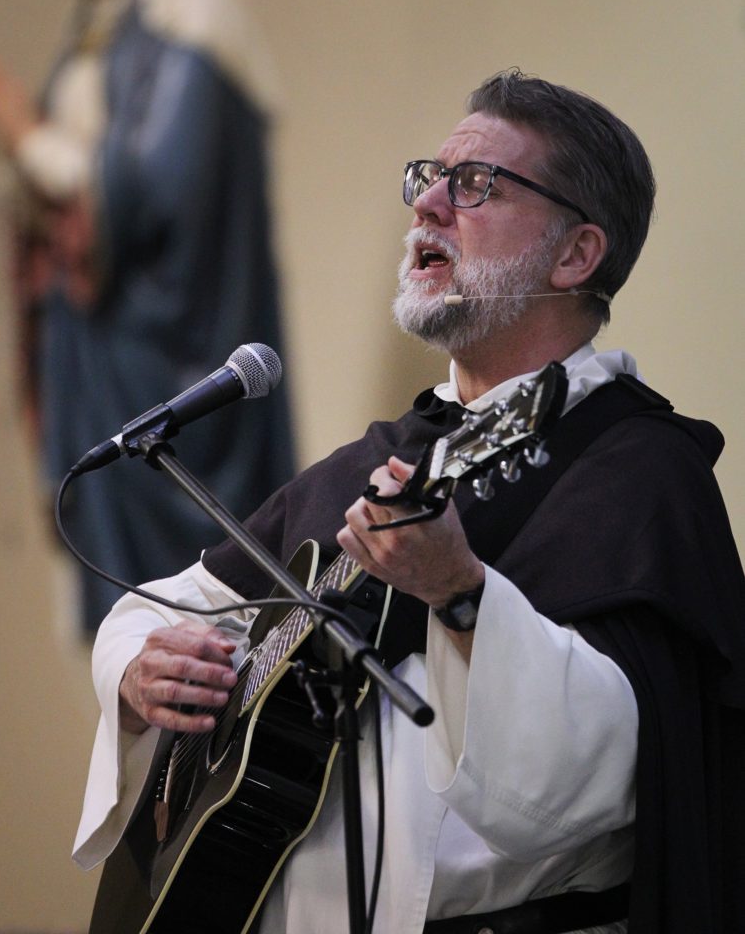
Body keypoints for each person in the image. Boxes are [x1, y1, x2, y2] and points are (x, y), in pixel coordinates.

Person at [73, 70, 745, 933]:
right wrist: (134, 672)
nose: (427, 203)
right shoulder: (379, 458)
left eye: (475, 185)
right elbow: (154, 608)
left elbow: (610, 778)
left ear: (577, 255)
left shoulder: (639, 472)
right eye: (429, 176)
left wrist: (464, 597)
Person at [0, 0, 294, 632]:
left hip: (172, 355)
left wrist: (21, 133)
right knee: (127, 636)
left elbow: (154, 197)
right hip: (99, 360)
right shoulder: (97, 29)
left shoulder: (194, 18)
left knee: (198, 622)